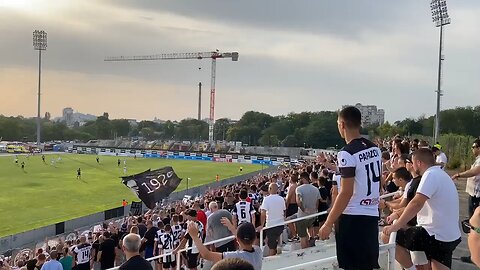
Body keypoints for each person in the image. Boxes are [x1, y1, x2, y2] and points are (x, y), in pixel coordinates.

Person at [318, 106, 382, 270]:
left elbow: (346, 192)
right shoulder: (375, 149)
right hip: (371, 214)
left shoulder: (346, 153)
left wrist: (328, 223)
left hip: (352, 218)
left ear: (342, 125)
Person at [383, 148, 461, 270]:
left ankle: (411, 269)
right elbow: (422, 204)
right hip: (450, 236)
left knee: (387, 236)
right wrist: (398, 214)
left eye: (413, 163)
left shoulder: (430, 175)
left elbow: (416, 203)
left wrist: (396, 225)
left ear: (419, 163)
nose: (413, 167)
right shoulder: (442, 175)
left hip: (434, 235)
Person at [186, 220, 262, 270]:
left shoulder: (237, 257)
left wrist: (194, 236)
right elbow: (244, 240)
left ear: (237, 240)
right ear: (255, 238)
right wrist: (232, 229)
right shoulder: (258, 251)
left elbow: (207, 255)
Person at [452, 138, 480, 263]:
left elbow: (475, 171)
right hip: (473, 194)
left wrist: (459, 175)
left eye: (474, 147)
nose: (472, 149)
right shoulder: (477, 159)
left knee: (474, 226)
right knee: (472, 225)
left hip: (477, 196)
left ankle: (475, 255)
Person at [259, 183, 285, 257]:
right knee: (270, 241)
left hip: (271, 225)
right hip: (280, 224)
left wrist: (261, 224)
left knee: (271, 246)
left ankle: (272, 260)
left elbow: (263, 213)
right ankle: (278, 249)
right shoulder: (281, 198)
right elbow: (284, 211)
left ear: (269, 189)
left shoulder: (266, 199)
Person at [296, 172, 321, 248]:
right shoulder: (316, 189)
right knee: (311, 230)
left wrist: (304, 209)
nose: (299, 180)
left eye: (300, 179)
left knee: (303, 237)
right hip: (312, 215)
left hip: (302, 216)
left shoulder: (299, 189)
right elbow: (317, 202)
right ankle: (311, 245)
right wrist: (314, 211)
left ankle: (305, 253)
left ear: (303, 179)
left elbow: (298, 201)